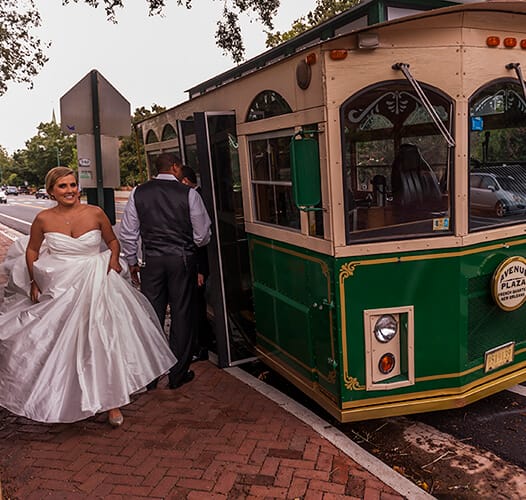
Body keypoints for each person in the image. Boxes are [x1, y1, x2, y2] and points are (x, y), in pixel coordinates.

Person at [0, 167, 177, 427]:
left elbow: (113, 241)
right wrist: (34, 280)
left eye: (73, 185)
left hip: (97, 282)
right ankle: (69, 394)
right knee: (64, 343)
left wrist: (114, 260)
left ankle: (111, 403)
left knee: (101, 340)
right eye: (63, 186)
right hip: (60, 287)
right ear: (51, 191)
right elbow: (32, 251)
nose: (70, 190)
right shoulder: (43, 219)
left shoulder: (95, 213)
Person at [119, 153, 211, 390]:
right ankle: (177, 374)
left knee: (152, 314)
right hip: (181, 259)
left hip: (152, 261)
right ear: (175, 167)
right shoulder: (189, 193)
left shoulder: (138, 193)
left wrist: (132, 262)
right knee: (182, 314)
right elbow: (202, 236)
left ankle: (150, 376)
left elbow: (128, 233)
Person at [180, 166, 213, 362]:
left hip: (199, 262)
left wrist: (200, 269)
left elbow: (200, 239)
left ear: (184, 181)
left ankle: (202, 346)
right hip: (196, 261)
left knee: (196, 306)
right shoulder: (195, 195)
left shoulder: (194, 196)